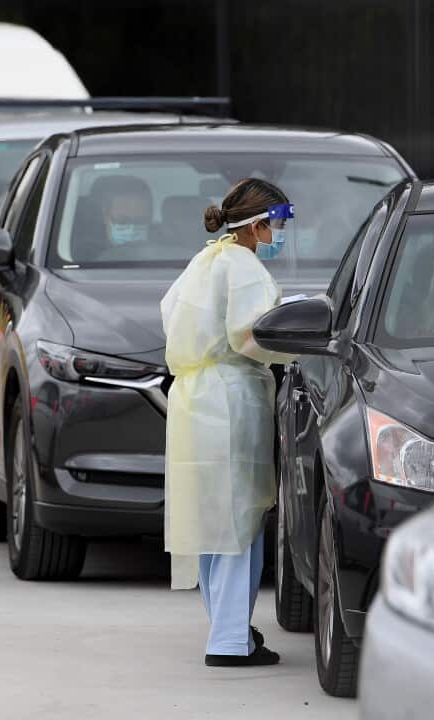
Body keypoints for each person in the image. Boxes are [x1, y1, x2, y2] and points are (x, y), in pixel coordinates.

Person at [159, 177, 295, 667]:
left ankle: (227, 626)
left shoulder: (207, 260)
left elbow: (170, 312)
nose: (279, 232)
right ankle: (231, 639)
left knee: (211, 519)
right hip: (233, 397)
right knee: (241, 520)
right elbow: (250, 335)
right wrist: (300, 351)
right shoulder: (245, 268)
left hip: (193, 399)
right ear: (257, 225)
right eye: (277, 223)